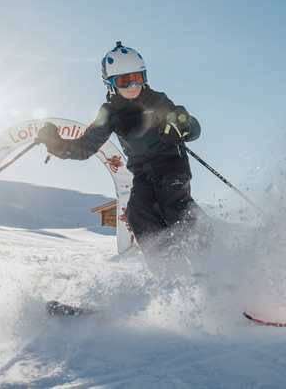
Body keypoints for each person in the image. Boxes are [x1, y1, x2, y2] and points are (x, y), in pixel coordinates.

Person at [36, 41, 208, 261]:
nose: (134, 85)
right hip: (143, 176)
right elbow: (85, 147)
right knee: (137, 212)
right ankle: (168, 268)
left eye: (139, 77)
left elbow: (191, 124)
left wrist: (180, 128)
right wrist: (55, 143)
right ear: (110, 83)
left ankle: (211, 251)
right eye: (125, 80)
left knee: (172, 203)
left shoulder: (157, 100)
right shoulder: (109, 112)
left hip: (171, 167)